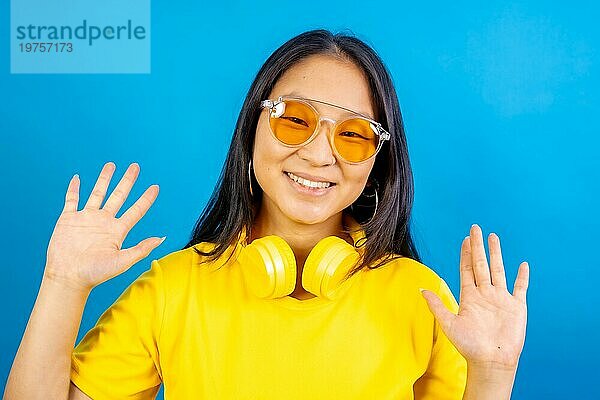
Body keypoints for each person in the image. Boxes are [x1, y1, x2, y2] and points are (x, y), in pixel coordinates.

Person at [4, 29, 529, 399]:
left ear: (377, 163)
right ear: (251, 129)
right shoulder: (173, 288)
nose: (320, 154)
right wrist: (63, 281)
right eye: (295, 120)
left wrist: (492, 374)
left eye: (353, 135)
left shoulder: (420, 297)